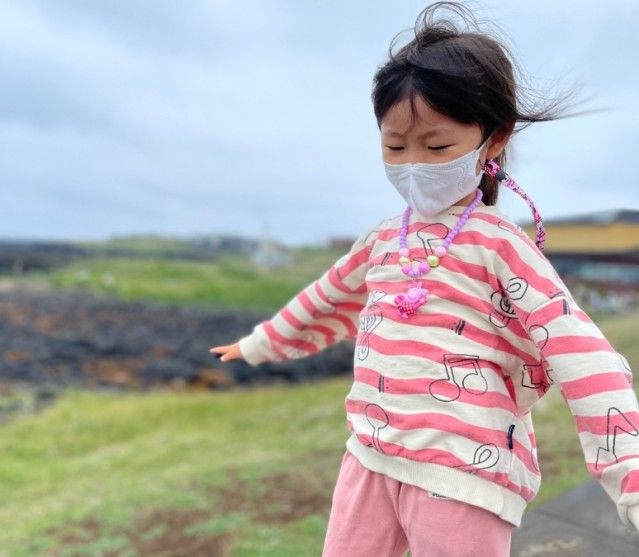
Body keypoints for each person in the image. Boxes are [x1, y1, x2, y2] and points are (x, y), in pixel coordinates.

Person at [209, 2, 639, 555]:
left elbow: (581, 352)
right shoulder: (384, 238)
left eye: (436, 147)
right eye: (394, 146)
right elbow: (329, 296)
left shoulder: (501, 245)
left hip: (462, 472)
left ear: (496, 138)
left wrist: (628, 473)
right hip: (369, 452)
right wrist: (259, 343)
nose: (413, 163)